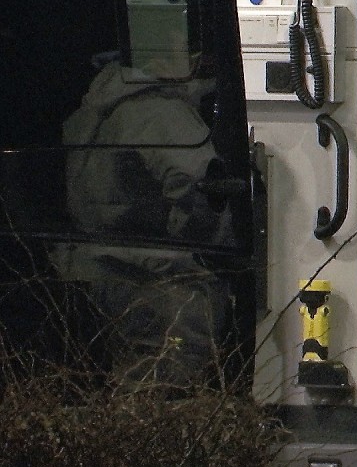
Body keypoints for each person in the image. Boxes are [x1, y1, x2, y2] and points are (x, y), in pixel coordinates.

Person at [58, 53, 231, 389]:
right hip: (159, 283)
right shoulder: (158, 111)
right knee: (166, 395)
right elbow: (204, 189)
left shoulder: (96, 109)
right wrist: (200, 251)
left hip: (99, 270)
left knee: (128, 389)